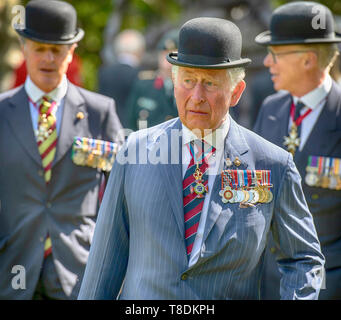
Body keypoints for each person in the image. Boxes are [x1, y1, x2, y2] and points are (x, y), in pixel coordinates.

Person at [78, 17, 324, 300]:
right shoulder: (134, 152)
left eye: (209, 83)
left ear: (236, 92)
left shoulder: (273, 164)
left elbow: (303, 258)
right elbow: (103, 265)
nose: (196, 96)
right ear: (173, 82)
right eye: (188, 81)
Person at [0, 0, 123, 300]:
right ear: (24, 47)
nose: (48, 58)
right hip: (10, 266)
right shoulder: (2, 112)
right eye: (39, 48)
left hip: (78, 269)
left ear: (72, 52)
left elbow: (121, 191)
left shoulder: (100, 112)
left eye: (57, 49)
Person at [253, 1, 341, 299]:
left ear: (307, 60)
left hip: (327, 286)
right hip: (268, 281)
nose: (267, 63)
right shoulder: (272, 108)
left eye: (275, 54)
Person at [126, 29, 179, 131]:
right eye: (164, 54)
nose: (167, 60)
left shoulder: (185, 86)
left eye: (173, 54)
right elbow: (131, 121)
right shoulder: (144, 84)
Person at [98, 29, 146, 128]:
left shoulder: (104, 72)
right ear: (140, 50)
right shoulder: (141, 75)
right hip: (131, 131)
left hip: (106, 128)